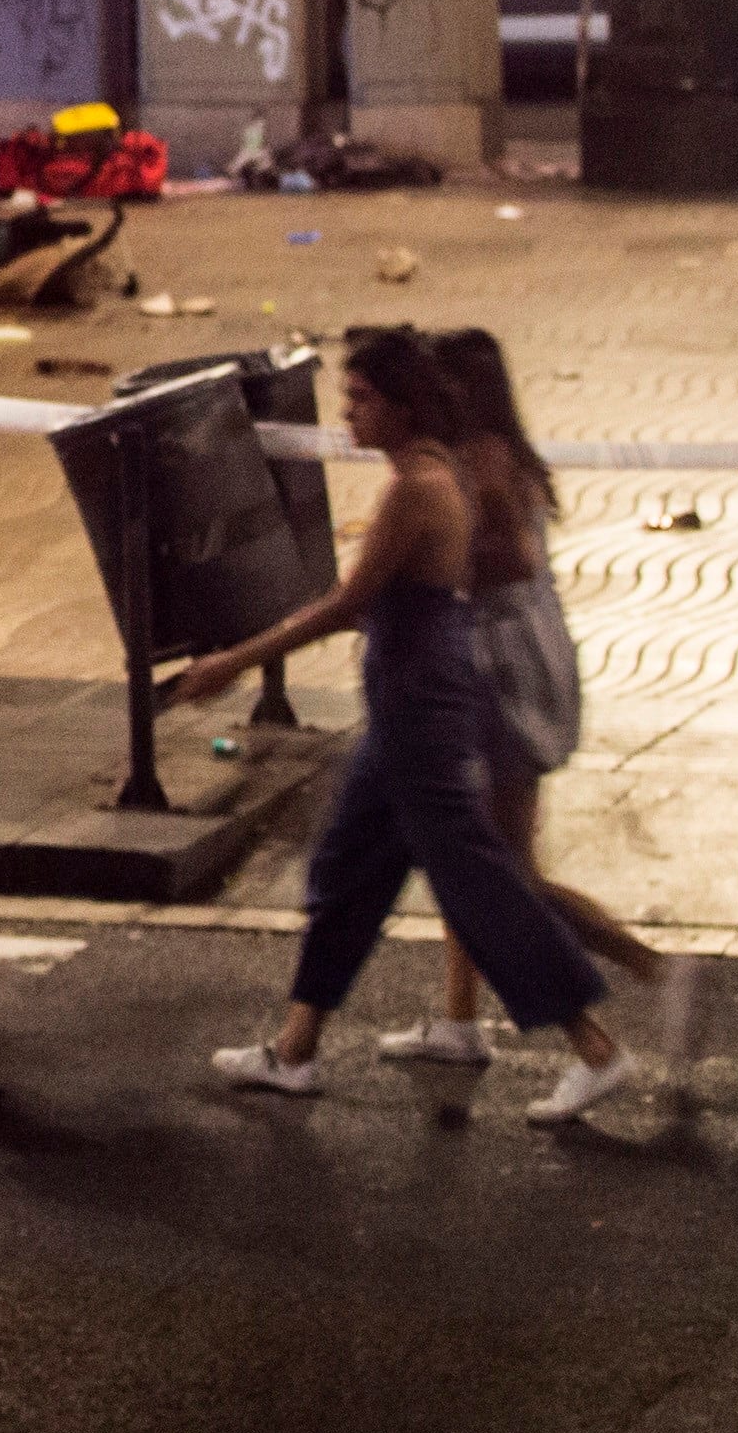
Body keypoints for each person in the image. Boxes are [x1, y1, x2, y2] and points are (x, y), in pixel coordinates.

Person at [176, 327, 635, 1123]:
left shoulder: (417, 487)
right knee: (349, 868)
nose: (346, 411)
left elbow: (346, 606)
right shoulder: (433, 473)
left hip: (420, 709)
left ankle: (595, 1047)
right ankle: (293, 1050)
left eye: (360, 397)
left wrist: (234, 660)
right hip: (406, 704)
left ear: (399, 405)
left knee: (479, 883)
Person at [373, 329, 695, 1071]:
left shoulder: (479, 457)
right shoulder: (493, 452)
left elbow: (510, 554)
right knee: (468, 850)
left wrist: (424, 563)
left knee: (499, 869)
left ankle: (651, 968)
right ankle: (458, 1020)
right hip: (516, 656)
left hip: (500, 668)